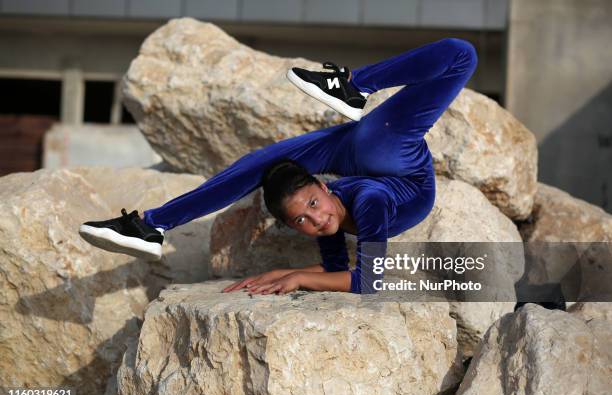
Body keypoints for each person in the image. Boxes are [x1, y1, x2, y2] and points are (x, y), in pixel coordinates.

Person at [79, 38, 478, 295]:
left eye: (312, 206)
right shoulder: (336, 207)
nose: (315, 221)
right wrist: (292, 273)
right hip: (371, 164)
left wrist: (299, 277)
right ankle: (153, 225)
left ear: (324, 189)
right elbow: (342, 270)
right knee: (259, 165)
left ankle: (356, 85)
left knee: (462, 54)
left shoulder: (367, 202)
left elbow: (368, 282)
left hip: (395, 163)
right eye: (302, 220)